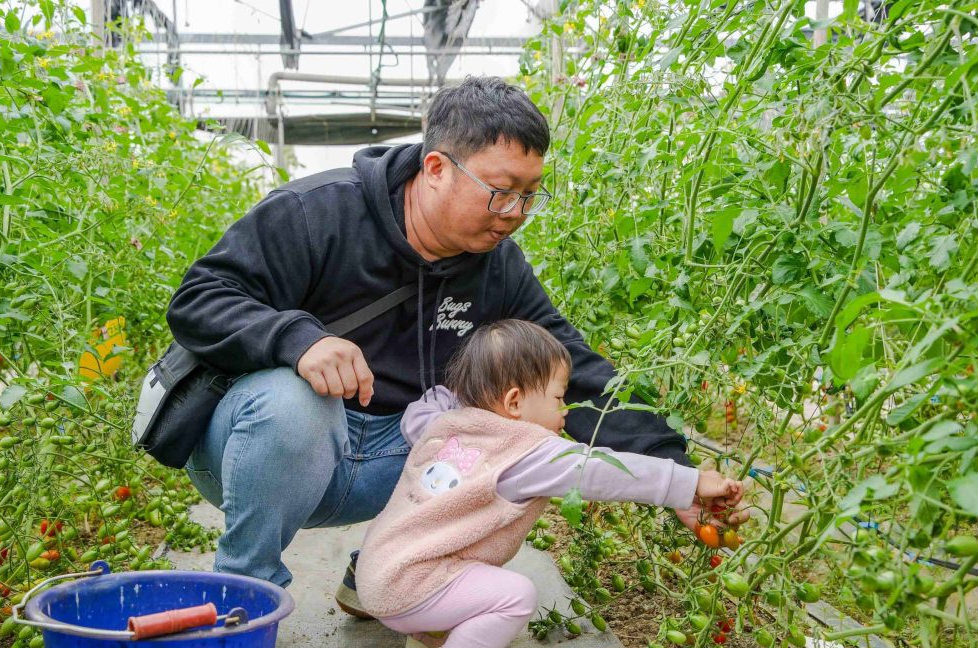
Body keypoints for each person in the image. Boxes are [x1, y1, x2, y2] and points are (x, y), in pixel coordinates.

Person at [166, 76, 748, 607]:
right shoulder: (316, 215)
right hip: (260, 456)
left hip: (393, 459)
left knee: (521, 427)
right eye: (501, 191)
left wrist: (676, 474)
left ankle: (392, 570)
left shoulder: (497, 268)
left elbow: (571, 371)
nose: (515, 213)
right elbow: (199, 298)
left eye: (530, 195)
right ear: (438, 167)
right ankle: (243, 592)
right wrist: (298, 340)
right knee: (291, 401)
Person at [354, 320, 744, 648]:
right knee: (515, 596)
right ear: (514, 403)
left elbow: (426, 404)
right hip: (409, 586)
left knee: (461, 567)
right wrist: (690, 482)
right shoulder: (524, 450)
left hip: (377, 571)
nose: (566, 410)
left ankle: (426, 640)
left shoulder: (440, 425)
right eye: (559, 398)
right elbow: (603, 470)